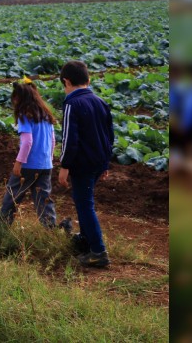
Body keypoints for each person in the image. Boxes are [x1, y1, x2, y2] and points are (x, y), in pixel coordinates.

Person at [57, 60, 114, 268]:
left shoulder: (72, 104)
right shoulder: (100, 101)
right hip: (98, 160)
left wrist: (64, 166)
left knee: (85, 203)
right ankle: (86, 239)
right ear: (88, 80)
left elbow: (69, 139)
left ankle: (98, 251)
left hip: (82, 163)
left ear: (67, 81)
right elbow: (109, 135)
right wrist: (106, 163)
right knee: (83, 200)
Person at [0, 78, 58, 227]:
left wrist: (19, 162)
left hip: (28, 164)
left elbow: (27, 141)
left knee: (13, 194)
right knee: (44, 199)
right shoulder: (46, 116)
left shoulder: (25, 115)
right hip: (45, 165)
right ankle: (51, 227)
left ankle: (2, 223)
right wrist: (48, 159)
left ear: (19, 99)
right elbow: (53, 140)